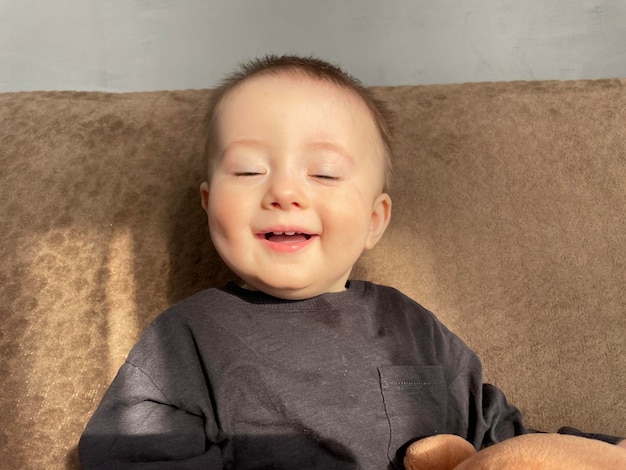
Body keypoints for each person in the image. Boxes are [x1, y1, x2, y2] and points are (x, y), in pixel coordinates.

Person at [78, 55, 624, 469]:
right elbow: (127, 453)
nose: (284, 192)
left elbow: (506, 441)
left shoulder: (414, 329)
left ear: (374, 219)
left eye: (325, 173)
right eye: (247, 170)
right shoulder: (185, 338)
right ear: (207, 203)